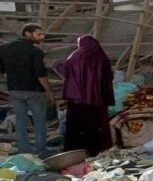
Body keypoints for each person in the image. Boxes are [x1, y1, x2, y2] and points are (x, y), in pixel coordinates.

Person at [0, 23, 54, 156]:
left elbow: (2, 70)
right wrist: (49, 92)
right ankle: (41, 150)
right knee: (39, 120)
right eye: (39, 34)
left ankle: (23, 150)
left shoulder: (4, 49)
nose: (42, 37)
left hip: (14, 90)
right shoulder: (35, 51)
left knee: (20, 120)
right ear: (28, 34)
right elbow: (41, 74)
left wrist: (11, 78)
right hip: (34, 91)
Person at [55, 36, 114, 156]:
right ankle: (95, 150)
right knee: (95, 125)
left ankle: (75, 150)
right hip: (98, 100)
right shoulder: (102, 57)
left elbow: (65, 71)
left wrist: (58, 64)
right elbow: (109, 77)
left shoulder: (76, 56)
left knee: (76, 125)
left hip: (78, 99)